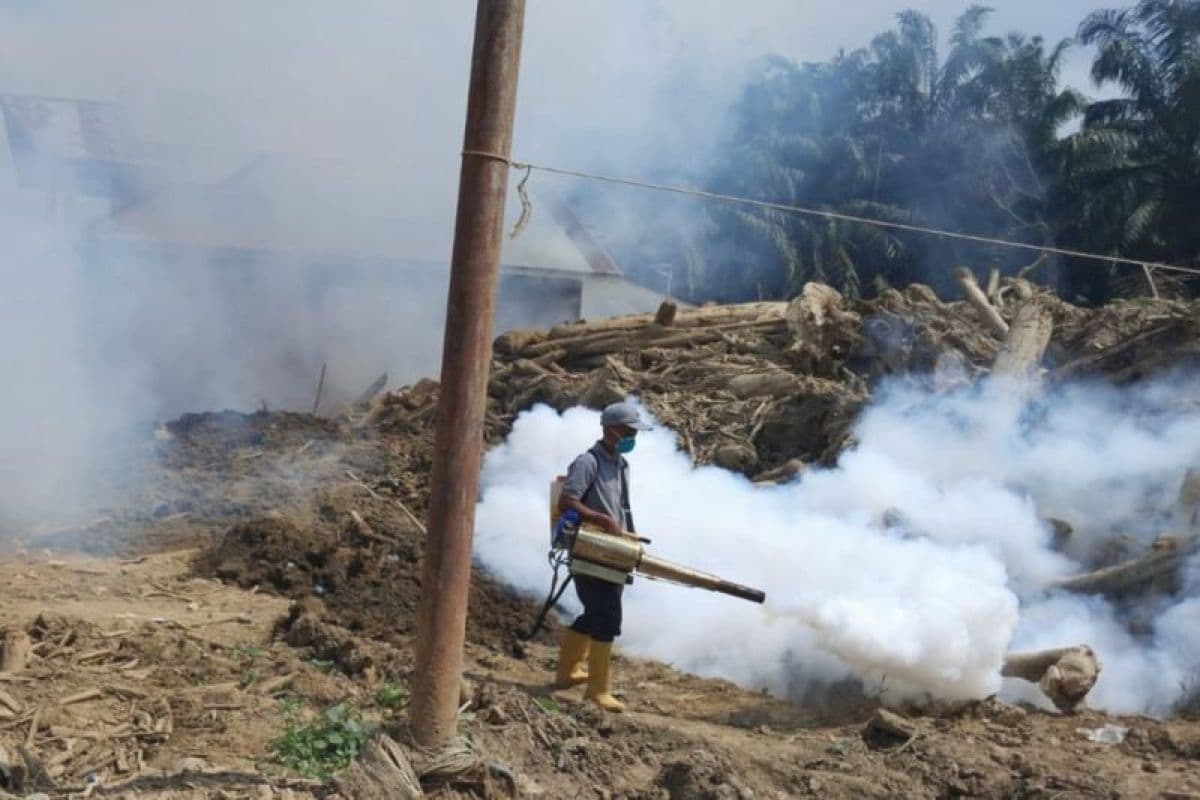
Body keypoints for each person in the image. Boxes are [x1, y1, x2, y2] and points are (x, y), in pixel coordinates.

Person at [553, 400, 650, 713]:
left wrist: (630, 535)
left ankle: (567, 673)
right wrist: (602, 520)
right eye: (627, 431)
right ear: (610, 430)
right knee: (608, 616)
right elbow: (568, 502)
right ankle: (597, 691)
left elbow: (623, 507)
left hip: (613, 551)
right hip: (590, 549)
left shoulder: (621, 465)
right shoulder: (588, 462)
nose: (632, 437)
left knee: (594, 613)